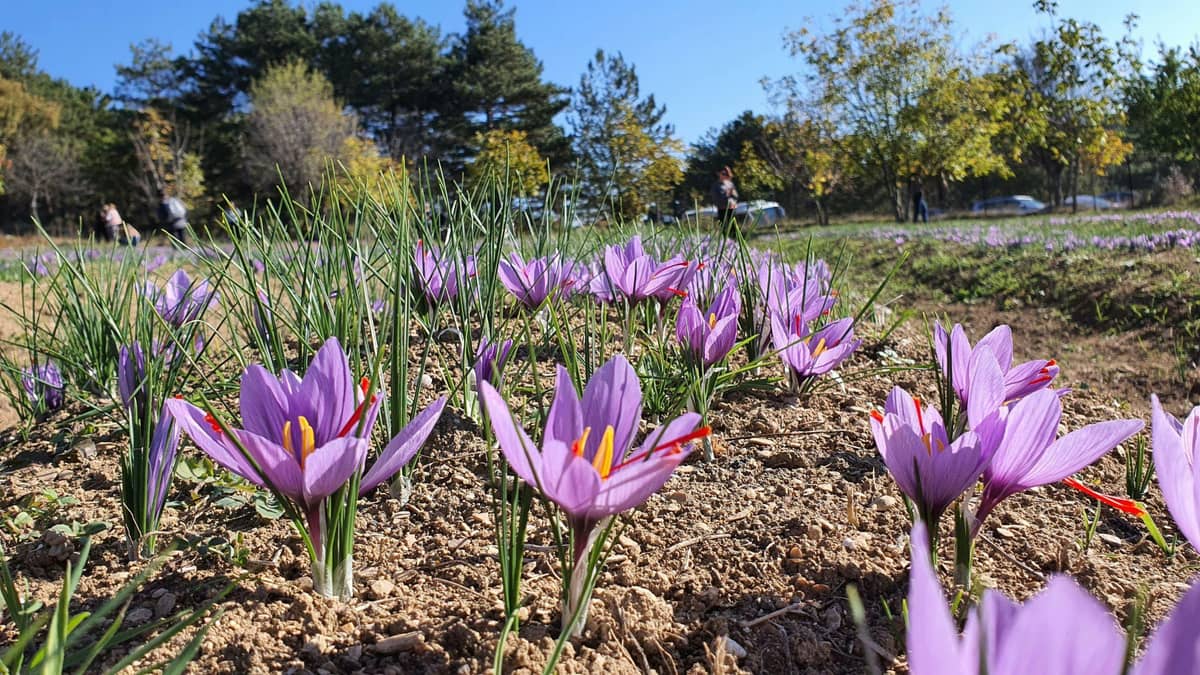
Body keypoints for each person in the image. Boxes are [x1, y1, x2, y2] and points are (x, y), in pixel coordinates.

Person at [711, 166, 740, 238]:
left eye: (726, 174)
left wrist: (732, 194)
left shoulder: (730, 184)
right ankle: (726, 242)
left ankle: (735, 241)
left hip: (731, 208)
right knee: (724, 227)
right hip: (722, 209)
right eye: (723, 173)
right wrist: (726, 195)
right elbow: (715, 199)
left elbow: (736, 196)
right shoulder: (716, 185)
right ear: (719, 174)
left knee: (733, 226)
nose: (725, 176)